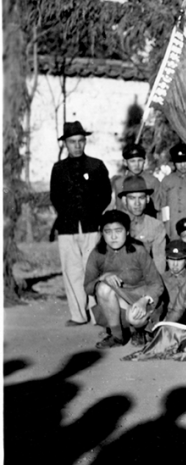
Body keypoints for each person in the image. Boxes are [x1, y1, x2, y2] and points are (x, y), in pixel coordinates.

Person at [49, 119, 112, 326]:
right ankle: (78, 315)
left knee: (92, 269)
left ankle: (98, 315)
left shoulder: (96, 166)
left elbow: (105, 195)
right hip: (67, 227)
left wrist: (93, 213)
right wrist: (67, 214)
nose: (77, 145)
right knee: (72, 271)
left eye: (80, 141)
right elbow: (55, 197)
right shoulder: (58, 169)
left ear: (85, 142)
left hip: (91, 225)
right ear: (65, 144)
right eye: (72, 142)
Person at [84, 209, 164, 349]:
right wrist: (103, 277)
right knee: (103, 287)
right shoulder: (97, 253)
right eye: (108, 231)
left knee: (135, 318)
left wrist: (143, 301)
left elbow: (157, 284)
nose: (113, 236)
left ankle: (139, 330)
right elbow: (88, 287)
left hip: (140, 301)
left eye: (118, 231)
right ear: (102, 233)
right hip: (116, 305)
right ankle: (117, 336)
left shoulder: (138, 250)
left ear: (127, 231)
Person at [156, 142, 186, 238]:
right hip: (172, 227)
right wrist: (164, 227)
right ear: (174, 162)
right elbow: (163, 206)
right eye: (179, 162)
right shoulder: (167, 180)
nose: (182, 165)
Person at [120, 174, 168, 276]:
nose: (137, 203)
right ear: (124, 200)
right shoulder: (116, 224)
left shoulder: (156, 226)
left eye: (141, 198)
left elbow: (159, 260)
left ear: (147, 199)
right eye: (132, 198)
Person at [111, 142, 158, 213]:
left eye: (140, 160)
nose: (137, 165)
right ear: (125, 162)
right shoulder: (119, 183)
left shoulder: (153, 181)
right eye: (132, 161)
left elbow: (158, 207)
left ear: (144, 161)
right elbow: (119, 208)